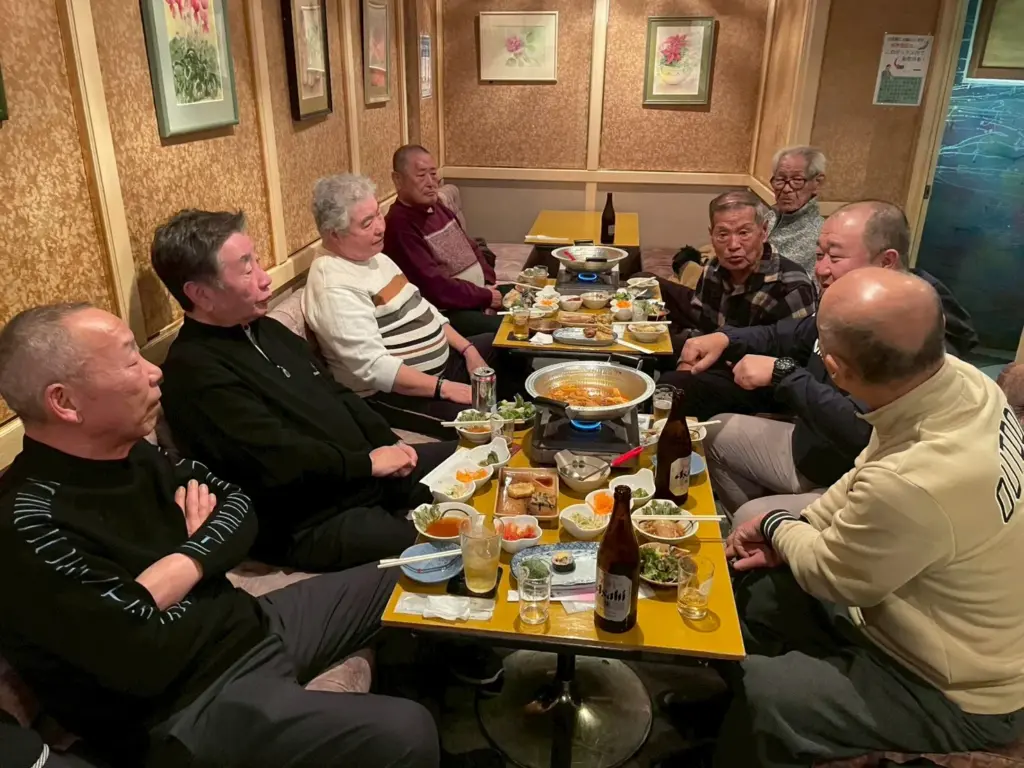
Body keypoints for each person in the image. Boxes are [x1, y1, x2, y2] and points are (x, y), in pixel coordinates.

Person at [0, 304, 438, 768]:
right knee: (406, 731)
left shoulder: (129, 453)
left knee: (424, 567)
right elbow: (144, 658)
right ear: (64, 402)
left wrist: (183, 563)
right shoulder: (28, 525)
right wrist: (204, 558)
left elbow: (239, 507)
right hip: (192, 705)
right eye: (131, 361)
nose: (154, 371)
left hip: (249, 623)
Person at [686, 268, 1024, 768]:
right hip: (918, 609)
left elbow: (834, 576)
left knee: (770, 692)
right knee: (755, 592)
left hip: (961, 687)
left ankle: (750, 729)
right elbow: (869, 464)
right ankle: (725, 723)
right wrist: (804, 523)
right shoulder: (962, 382)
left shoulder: (914, 482)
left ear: (834, 368)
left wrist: (777, 525)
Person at [152, 209, 458, 572]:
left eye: (258, 261)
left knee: (477, 461)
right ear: (200, 294)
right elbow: (279, 456)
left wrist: (389, 441)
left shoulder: (266, 329)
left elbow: (337, 393)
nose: (265, 278)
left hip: (365, 476)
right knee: (455, 546)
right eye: (247, 269)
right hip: (310, 521)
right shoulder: (194, 371)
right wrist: (367, 463)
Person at [667, 201, 978, 524]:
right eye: (819, 255)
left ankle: (771, 532)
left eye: (835, 257)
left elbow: (862, 433)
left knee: (752, 517)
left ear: (886, 261)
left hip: (857, 482)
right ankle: (759, 535)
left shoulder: (916, 333)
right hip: (813, 449)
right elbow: (784, 334)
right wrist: (725, 338)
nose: (821, 269)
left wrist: (782, 374)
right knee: (715, 433)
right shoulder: (851, 301)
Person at [304, 174, 499, 439]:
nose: (380, 227)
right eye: (367, 223)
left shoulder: (375, 257)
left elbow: (424, 309)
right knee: (480, 425)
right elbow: (374, 368)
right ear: (334, 234)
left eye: (378, 214)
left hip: (440, 371)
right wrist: (445, 388)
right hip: (391, 395)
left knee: (506, 348)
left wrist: (467, 350)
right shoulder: (333, 284)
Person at [657, 189, 817, 362]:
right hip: (714, 357)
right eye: (723, 234)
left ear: (763, 231)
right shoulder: (713, 268)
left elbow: (797, 358)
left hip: (755, 373)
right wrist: (688, 359)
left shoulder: (792, 286)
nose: (733, 245)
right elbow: (703, 328)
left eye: (744, 233)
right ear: (711, 235)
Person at [383, 145, 504, 336]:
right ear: (397, 179)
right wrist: (485, 297)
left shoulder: (437, 206)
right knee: (516, 328)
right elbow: (436, 287)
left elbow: (472, 247)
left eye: (433, 174)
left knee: (535, 300)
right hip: (448, 313)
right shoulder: (400, 225)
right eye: (421, 175)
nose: (431, 183)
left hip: (477, 295)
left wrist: (488, 283)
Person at [763, 146, 827, 273]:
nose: (786, 189)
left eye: (797, 180)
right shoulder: (767, 217)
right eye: (780, 180)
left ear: (817, 183)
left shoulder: (818, 234)